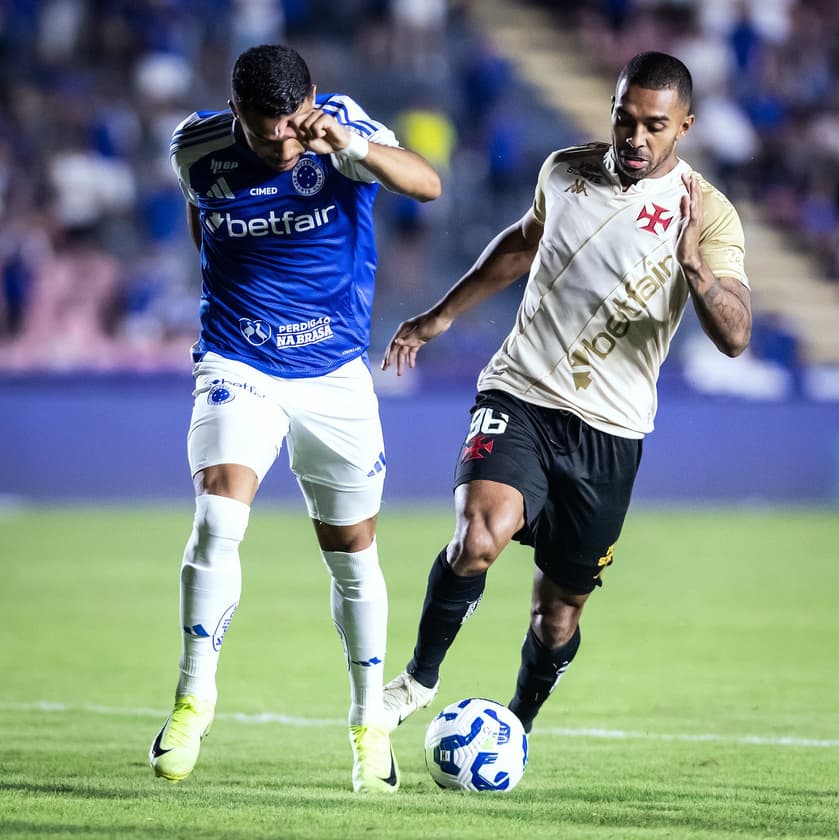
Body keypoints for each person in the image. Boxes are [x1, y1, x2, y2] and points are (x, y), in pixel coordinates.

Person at [380, 52, 751, 735]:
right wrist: (440, 314)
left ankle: (517, 724)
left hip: (610, 431)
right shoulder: (566, 170)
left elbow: (734, 336)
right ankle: (414, 681)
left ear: (685, 127)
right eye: (624, 119)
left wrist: (694, 267)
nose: (635, 138)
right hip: (522, 391)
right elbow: (522, 244)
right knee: (477, 537)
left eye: (654, 126)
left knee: (557, 615)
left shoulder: (711, 215)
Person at [149, 44, 440, 793]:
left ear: (310, 99)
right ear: (234, 110)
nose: (281, 143)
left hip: (334, 376)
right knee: (218, 513)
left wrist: (352, 146)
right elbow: (202, 215)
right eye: (262, 129)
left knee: (352, 553)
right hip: (238, 361)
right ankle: (192, 699)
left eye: (291, 126)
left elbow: (427, 184)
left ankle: (367, 724)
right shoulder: (197, 145)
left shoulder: (339, 131)